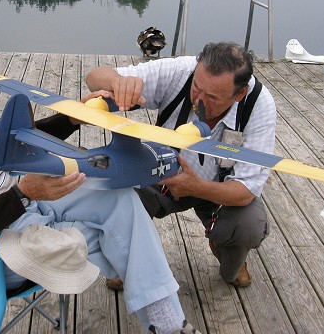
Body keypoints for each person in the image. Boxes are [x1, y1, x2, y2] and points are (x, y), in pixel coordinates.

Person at [0, 13, 201, 334]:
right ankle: (168, 325)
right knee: (121, 236)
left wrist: (76, 118)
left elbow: (19, 139)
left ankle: (167, 324)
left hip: (20, 207)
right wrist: (22, 195)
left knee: (121, 199)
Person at [86, 42, 276, 288]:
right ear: (197, 69)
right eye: (197, 87)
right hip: (162, 175)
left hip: (220, 189)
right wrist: (116, 82)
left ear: (239, 94)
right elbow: (93, 77)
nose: (199, 100)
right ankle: (126, 261)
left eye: (212, 97)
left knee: (249, 224)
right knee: (118, 193)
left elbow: (246, 190)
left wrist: (196, 187)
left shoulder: (259, 105)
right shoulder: (181, 71)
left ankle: (228, 253)